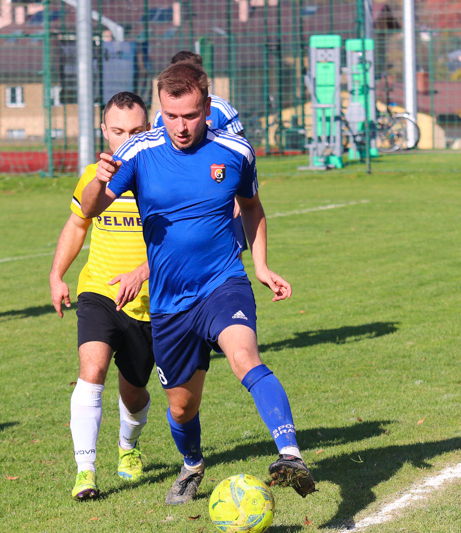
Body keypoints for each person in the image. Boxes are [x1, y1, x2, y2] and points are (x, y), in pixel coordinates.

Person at [80, 62, 316, 506]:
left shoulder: (235, 151)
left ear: (207, 108)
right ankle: (192, 464)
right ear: (159, 110)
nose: (181, 126)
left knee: (244, 356)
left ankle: (290, 454)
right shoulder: (138, 152)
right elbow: (89, 209)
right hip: (169, 304)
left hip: (223, 282)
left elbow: (251, 207)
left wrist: (261, 266)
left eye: (189, 115)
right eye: (171, 116)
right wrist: (99, 180)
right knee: (181, 408)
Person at [49, 92, 154, 500]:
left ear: (150, 130)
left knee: (135, 389)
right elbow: (78, 224)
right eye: (118, 131)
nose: (126, 139)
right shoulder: (95, 174)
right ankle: (85, 472)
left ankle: (128, 446)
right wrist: (57, 275)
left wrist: (144, 274)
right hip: (99, 292)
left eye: (136, 131)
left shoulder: (163, 175)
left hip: (151, 302)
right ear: (104, 131)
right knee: (91, 373)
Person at [153, 51, 247, 257]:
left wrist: (239, 196)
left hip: (219, 190)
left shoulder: (221, 107)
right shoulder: (162, 115)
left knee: (230, 250)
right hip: (178, 193)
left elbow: (241, 153)